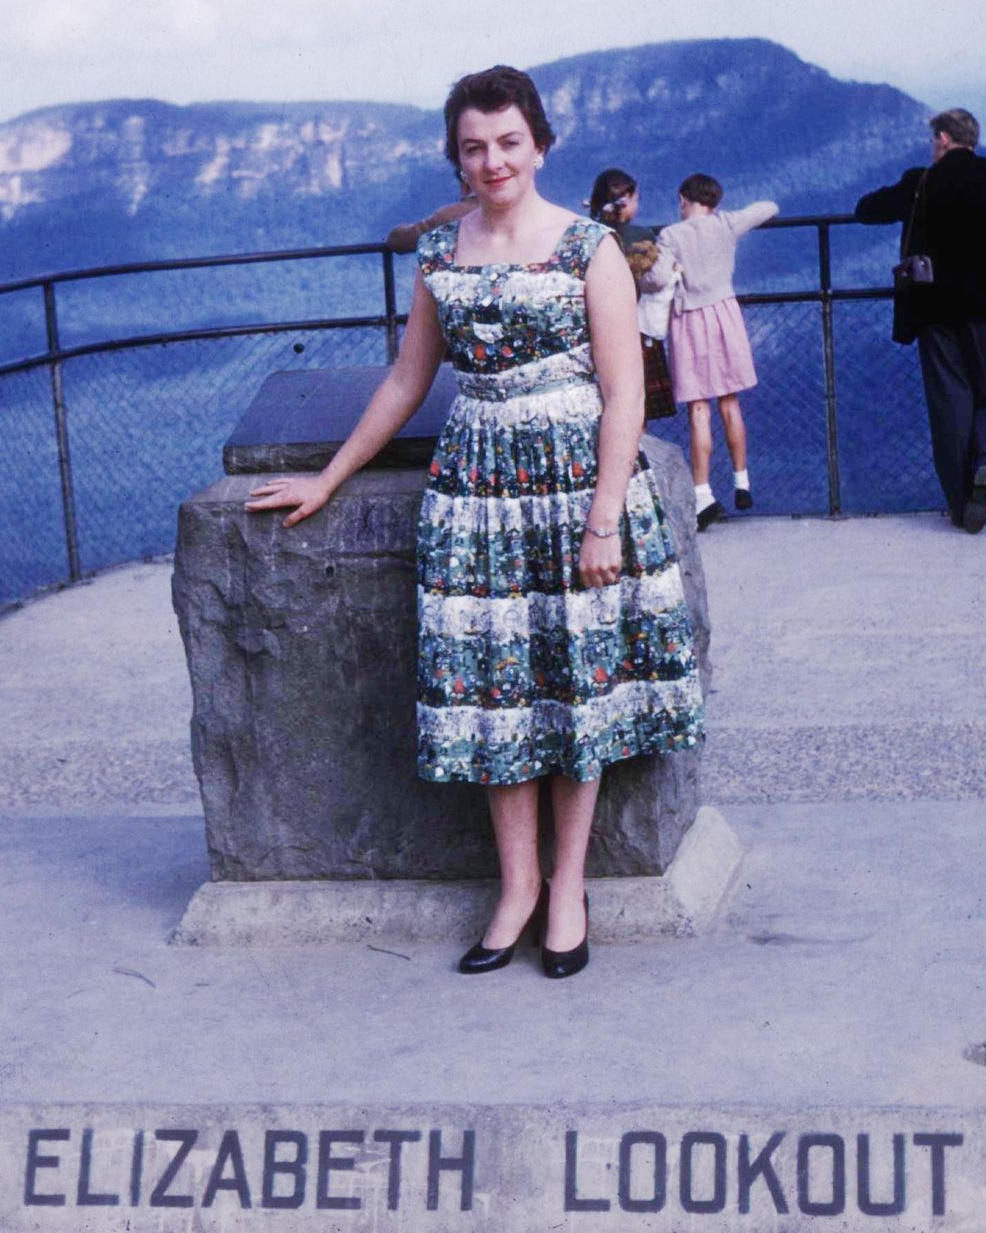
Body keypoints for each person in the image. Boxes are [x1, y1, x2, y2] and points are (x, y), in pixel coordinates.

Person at [245, 66, 704, 979]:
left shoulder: (588, 248)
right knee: (493, 692)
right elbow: (407, 381)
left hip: (577, 490)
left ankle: (568, 890)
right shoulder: (440, 254)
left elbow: (624, 395)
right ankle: (517, 889)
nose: (492, 161)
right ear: (456, 158)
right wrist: (328, 479)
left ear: (538, 146)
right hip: (478, 495)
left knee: (576, 688)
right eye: (473, 147)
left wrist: (605, 519)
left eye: (507, 142)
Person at [855, 109, 986, 532]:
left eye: (934, 139)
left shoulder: (920, 182)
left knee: (949, 401)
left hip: (933, 307)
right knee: (985, 391)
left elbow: (866, 209)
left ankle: (962, 503)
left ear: (944, 138)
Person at [658, 173, 776, 525]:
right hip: (726, 315)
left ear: (683, 200)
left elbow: (656, 277)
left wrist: (675, 268)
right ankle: (742, 480)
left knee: (699, 408)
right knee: (730, 401)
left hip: (690, 321)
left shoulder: (670, 235)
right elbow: (769, 207)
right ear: (715, 202)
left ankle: (702, 493)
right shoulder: (726, 224)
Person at [588, 167, 677, 423]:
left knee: (607, 397)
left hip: (598, 324)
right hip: (639, 326)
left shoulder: (589, 233)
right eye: (636, 199)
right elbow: (657, 277)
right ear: (624, 201)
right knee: (636, 400)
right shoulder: (642, 236)